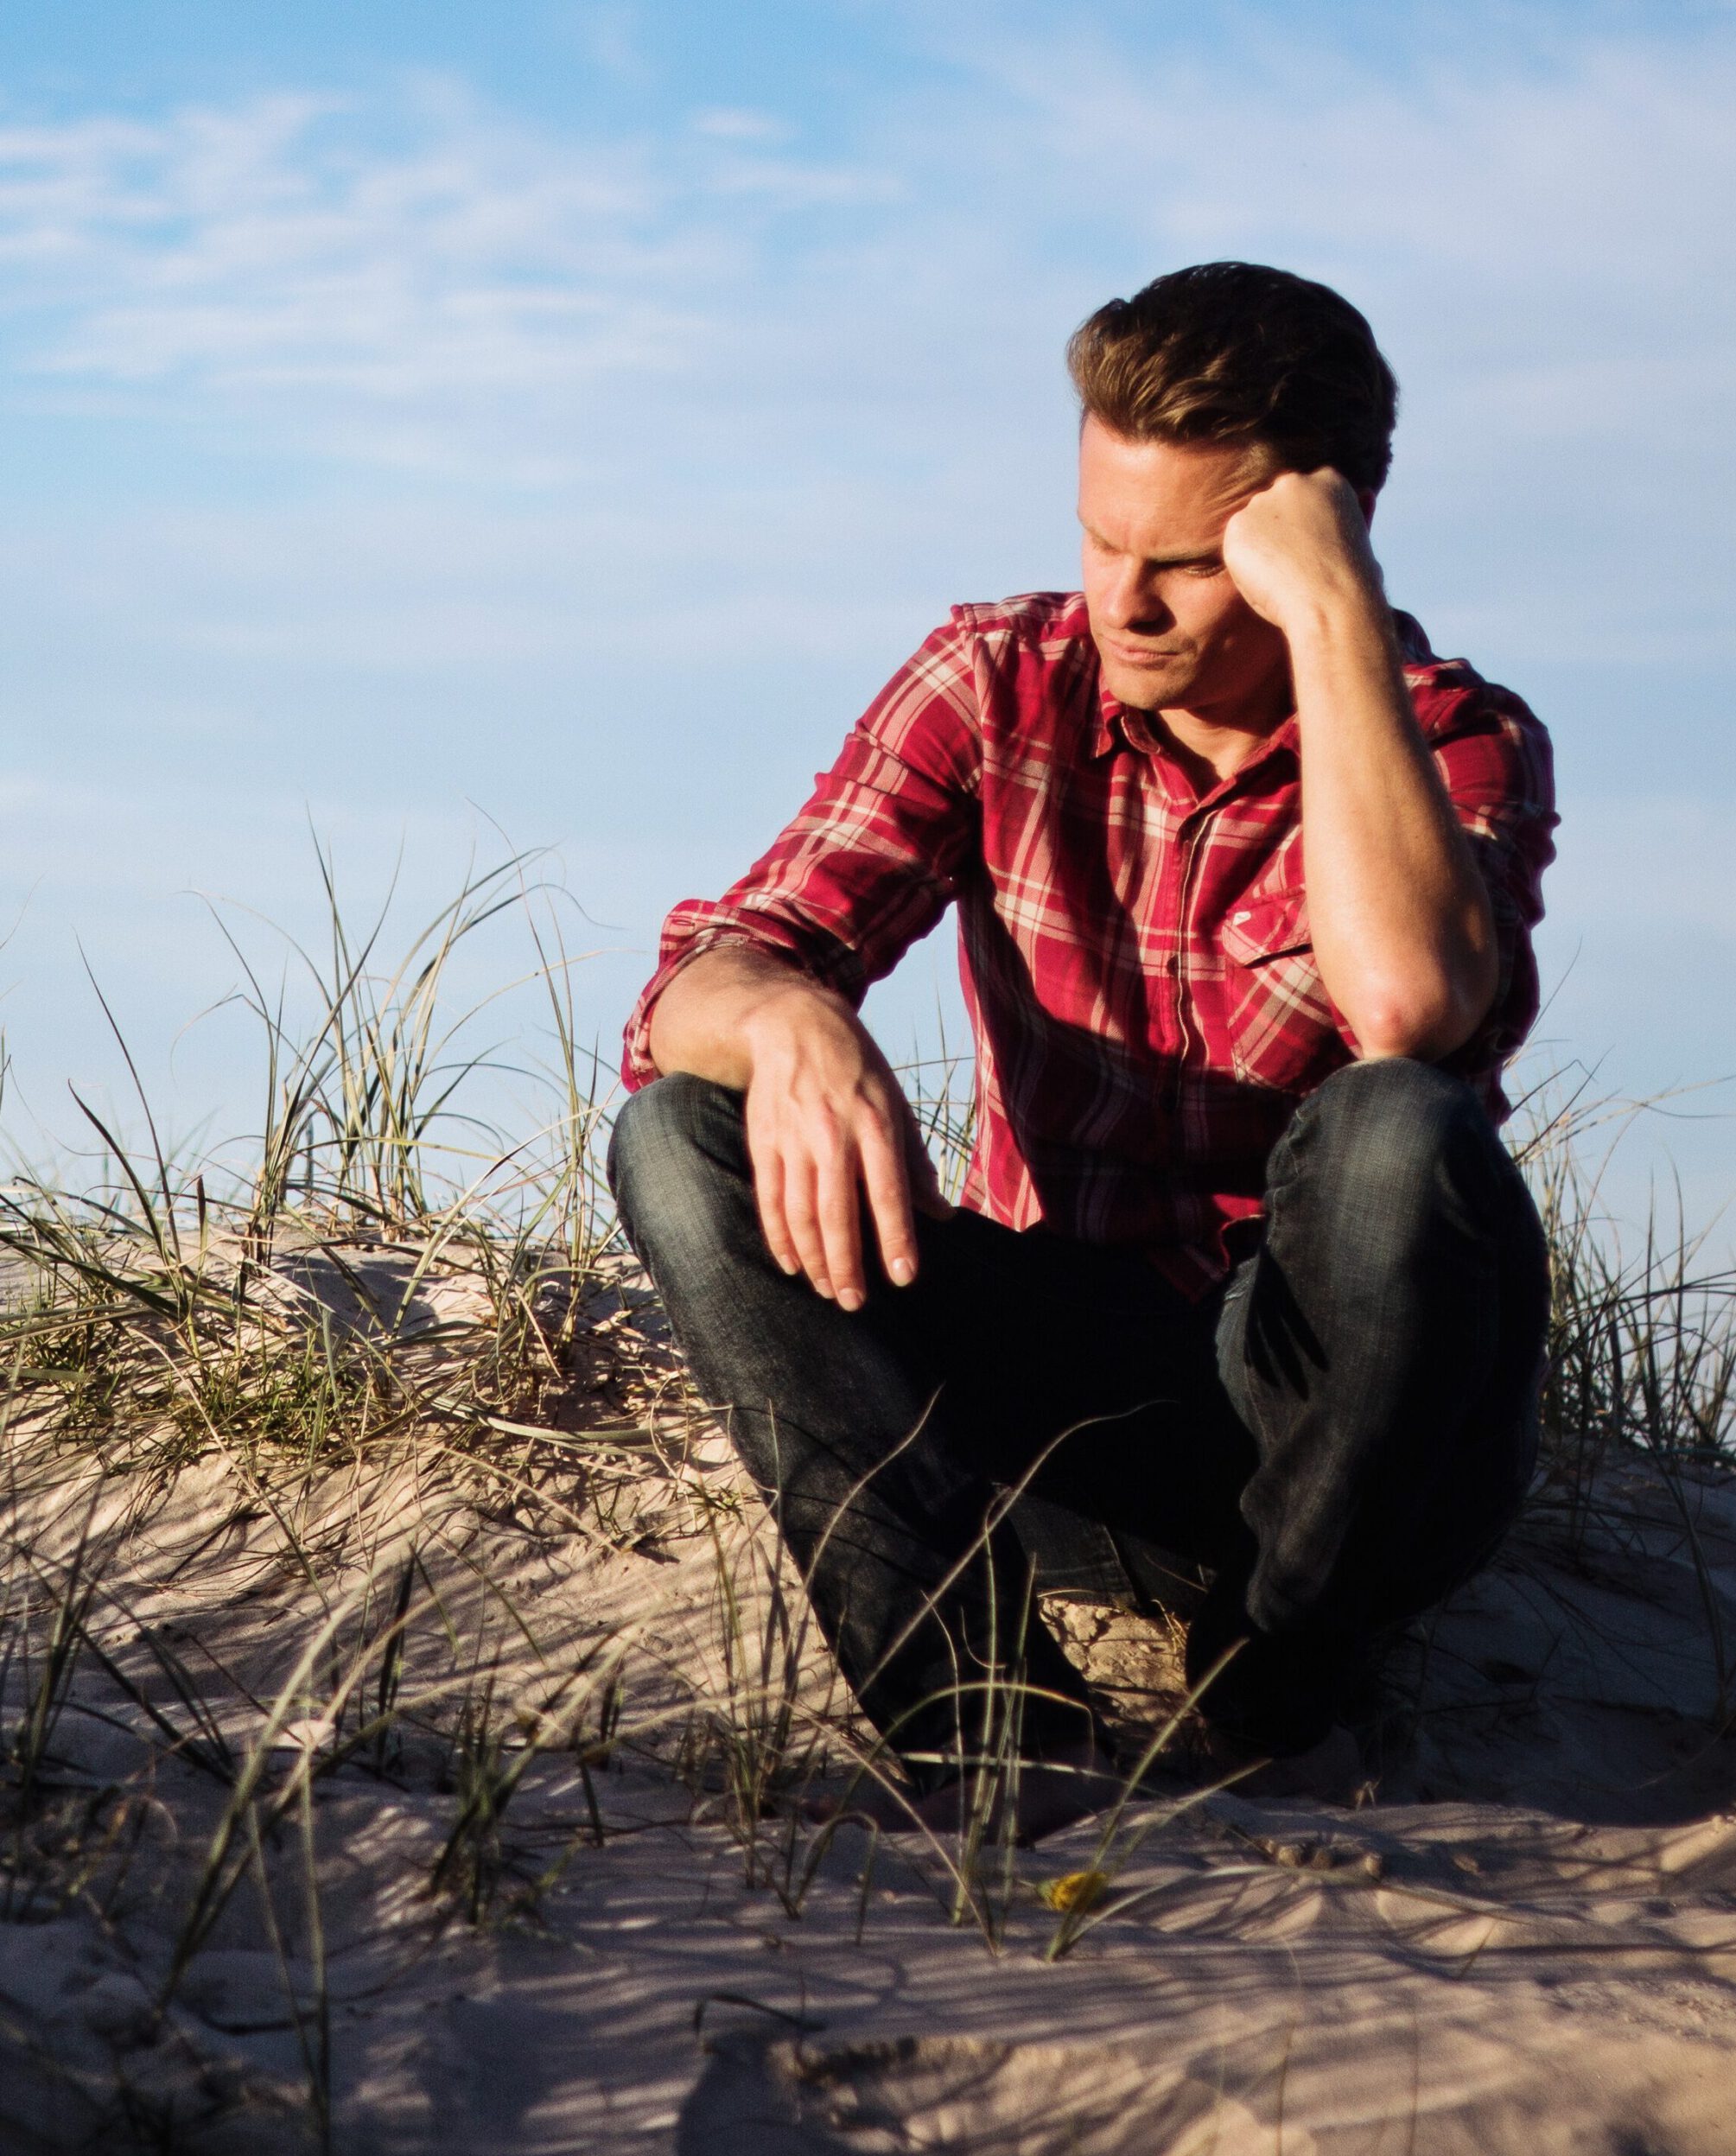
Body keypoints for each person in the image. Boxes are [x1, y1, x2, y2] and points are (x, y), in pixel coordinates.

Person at [609, 262, 1557, 1835]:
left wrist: (1336, 619)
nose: (1122, 604)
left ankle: (1283, 1689)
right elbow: (692, 985)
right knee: (679, 1131)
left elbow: (1409, 1014)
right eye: (1101, 541)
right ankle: (991, 1735)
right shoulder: (996, 679)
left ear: (1323, 526)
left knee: (1401, 1133)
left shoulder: (1455, 735)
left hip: (1357, 1435)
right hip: (1079, 1404)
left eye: (1185, 565)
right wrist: (788, 1016)